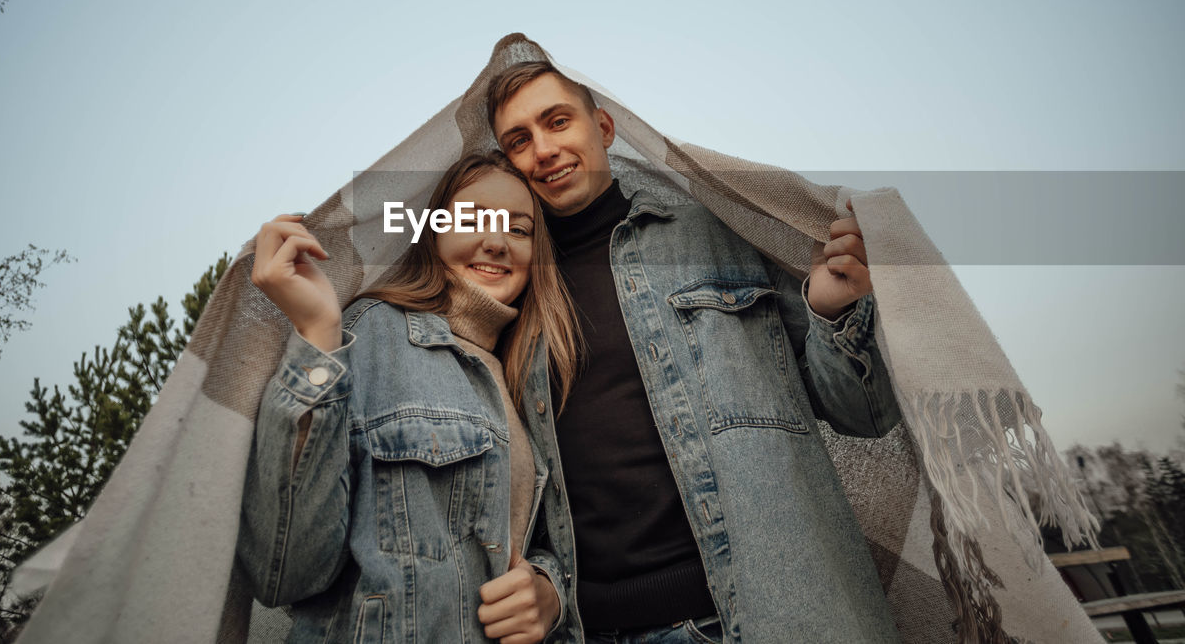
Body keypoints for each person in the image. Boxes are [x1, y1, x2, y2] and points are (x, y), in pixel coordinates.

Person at [486, 62, 904, 643]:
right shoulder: (508, 292)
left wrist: (832, 311)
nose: (545, 150)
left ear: (604, 127)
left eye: (558, 122)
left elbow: (866, 413)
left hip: (761, 619)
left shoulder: (721, 232)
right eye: (519, 141)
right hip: (592, 631)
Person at [237, 151, 584, 643]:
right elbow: (283, 572)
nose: (495, 241)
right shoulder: (368, 335)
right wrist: (317, 334)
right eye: (472, 219)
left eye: (519, 230)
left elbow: (548, 538)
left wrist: (549, 591)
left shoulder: (532, 376)